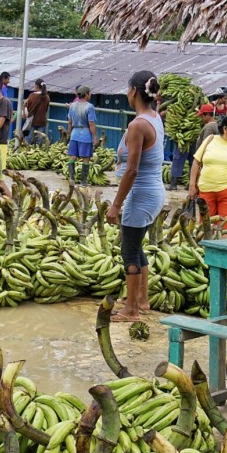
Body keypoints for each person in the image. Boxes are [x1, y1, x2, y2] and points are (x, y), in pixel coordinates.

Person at [106, 70, 165, 322]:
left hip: (141, 194)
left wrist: (116, 205)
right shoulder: (154, 117)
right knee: (136, 244)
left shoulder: (138, 125)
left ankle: (131, 310)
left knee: (129, 250)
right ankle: (142, 299)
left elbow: (132, 170)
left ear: (132, 91)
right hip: (153, 192)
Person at [189, 114, 227, 232]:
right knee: (205, 228)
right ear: (225, 129)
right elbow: (196, 163)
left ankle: (225, 243)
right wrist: (192, 186)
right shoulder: (210, 140)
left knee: (226, 227)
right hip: (206, 190)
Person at [67, 85, 98, 186]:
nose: (90, 95)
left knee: (72, 156)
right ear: (86, 94)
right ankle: (83, 182)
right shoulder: (89, 107)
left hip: (74, 134)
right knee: (85, 158)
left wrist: (69, 132)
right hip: (85, 134)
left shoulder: (72, 106)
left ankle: (71, 179)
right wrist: (95, 137)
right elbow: (91, 123)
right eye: (89, 93)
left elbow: (70, 121)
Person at [23, 79, 50, 144]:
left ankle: (27, 149)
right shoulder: (47, 97)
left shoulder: (32, 96)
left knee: (28, 139)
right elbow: (46, 109)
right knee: (39, 140)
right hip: (42, 120)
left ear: (36, 86)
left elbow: (27, 107)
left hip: (32, 121)